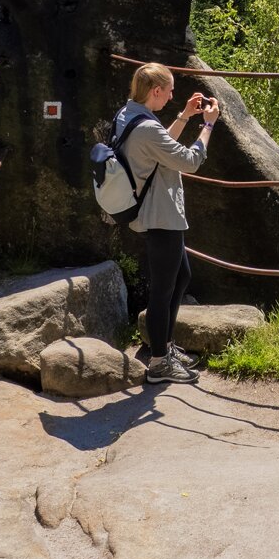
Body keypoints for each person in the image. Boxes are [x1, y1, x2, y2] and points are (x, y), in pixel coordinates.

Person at [114, 61, 220, 384]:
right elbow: (188, 161)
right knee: (163, 290)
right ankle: (159, 363)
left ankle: (165, 346)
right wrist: (208, 125)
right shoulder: (147, 127)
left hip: (157, 212)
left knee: (181, 276)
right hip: (160, 215)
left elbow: (161, 149)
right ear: (156, 91)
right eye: (170, 91)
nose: (173, 96)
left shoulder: (129, 115)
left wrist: (185, 116)